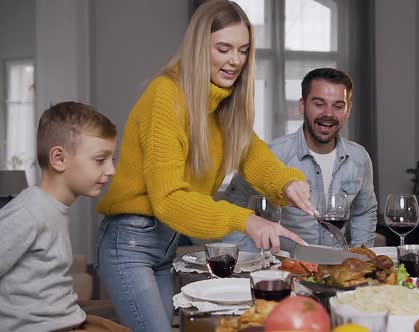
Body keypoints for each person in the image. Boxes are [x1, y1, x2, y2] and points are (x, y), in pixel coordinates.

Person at [95, 1, 313, 331]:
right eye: (223, 49)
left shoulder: (223, 105)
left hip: (163, 244)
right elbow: (168, 200)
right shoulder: (166, 96)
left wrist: (287, 182)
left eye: (243, 50)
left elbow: (254, 155)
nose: (235, 60)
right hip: (129, 244)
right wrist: (246, 220)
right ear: (199, 48)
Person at [0, 102, 128, 331]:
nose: (111, 170)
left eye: (112, 160)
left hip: (68, 319)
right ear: (59, 159)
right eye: (100, 160)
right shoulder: (28, 212)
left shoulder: (52, 208)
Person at [222, 68, 378, 252]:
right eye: (319, 104)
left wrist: (358, 257)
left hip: (336, 272)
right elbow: (234, 211)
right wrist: (254, 262)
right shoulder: (269, 156)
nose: (328, 113)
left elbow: (364, 212)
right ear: (303, 105)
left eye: (338, 106)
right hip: (284, 270)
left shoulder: (359, 158)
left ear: (348, 110)